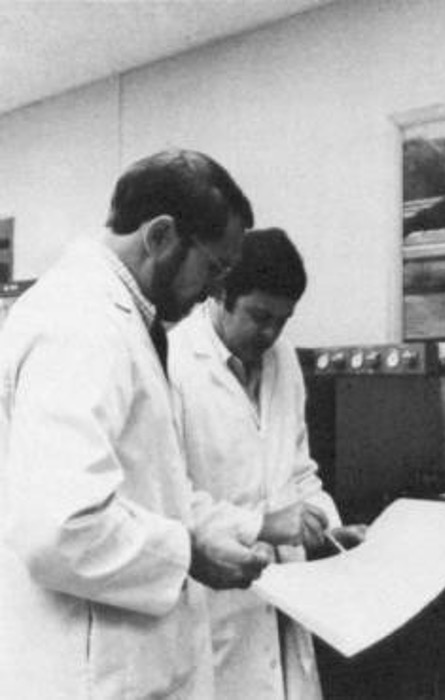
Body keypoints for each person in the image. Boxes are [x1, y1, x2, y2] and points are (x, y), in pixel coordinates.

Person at [0, 149, 271, 699]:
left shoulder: (125, 319)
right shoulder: (82, 323)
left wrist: (226, 534)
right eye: (214, 267)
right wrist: (191, 553)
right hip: (91, 674)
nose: (217, 291)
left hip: (130, 661)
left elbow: (145, 483)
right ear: (161, 235)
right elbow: (62, 528)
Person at [168, 227, 366, 700]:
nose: (271, 333)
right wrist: (263, 524)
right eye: (259, 316)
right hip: (214, 609)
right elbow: (172, 499)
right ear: (219, 294)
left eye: (283, 320)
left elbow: (298, 469)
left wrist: (326, 525)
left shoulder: (282, 361)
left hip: (285, 605)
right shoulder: (175, 364)